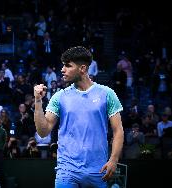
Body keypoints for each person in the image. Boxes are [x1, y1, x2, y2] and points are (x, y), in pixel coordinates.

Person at [34, 46, 124, 187]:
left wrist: (113, 159)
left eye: (68, 66)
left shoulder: (107, 94)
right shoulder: (59, 97)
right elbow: (43, 131)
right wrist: (38, 101)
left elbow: (118, 130)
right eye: (63, 65)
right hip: (67, 170)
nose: (62, 69)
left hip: (99, 171)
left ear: (82, 69)